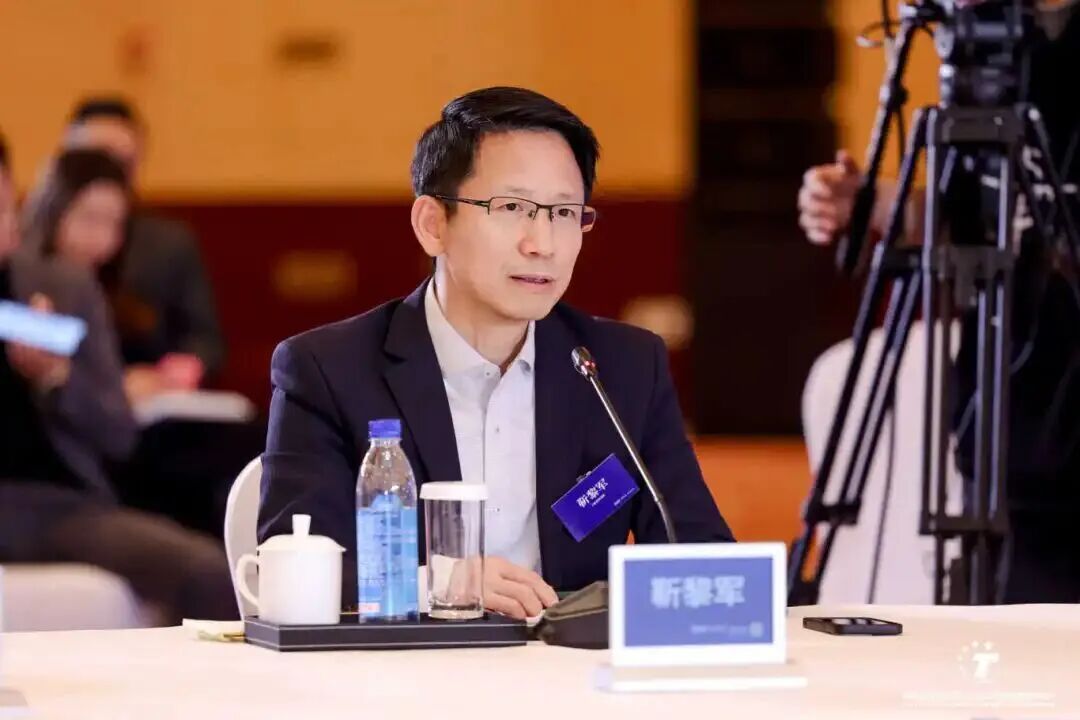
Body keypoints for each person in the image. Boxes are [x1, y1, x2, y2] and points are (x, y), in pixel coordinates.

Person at [259, 87, 734, 619]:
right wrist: (442, 582)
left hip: (572, 667)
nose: (542, 244)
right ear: (433, 224)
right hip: (408, 666)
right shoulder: (329, 370)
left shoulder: (622, 366)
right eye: (511, 208)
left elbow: (700, 554)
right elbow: (294, 569)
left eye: (564, 213)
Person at [797, 3, 1080, 602]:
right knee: (1001, 632)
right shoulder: (988, 52)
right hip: (1004, 426)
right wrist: (879, 206)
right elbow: (980, 215)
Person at [0, 136, 236, 623]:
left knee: (209, 571)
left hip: (54, 502)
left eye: (5, 208)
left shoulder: (60, 288)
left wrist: (56, 376)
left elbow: (117, 431)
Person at [63, 96, 225, 385]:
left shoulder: (169, 243)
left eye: (123, 161)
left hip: (151, 392)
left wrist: (172, 373)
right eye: (96, 159)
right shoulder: (30, 242)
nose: (110, 174)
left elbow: (206, 342)